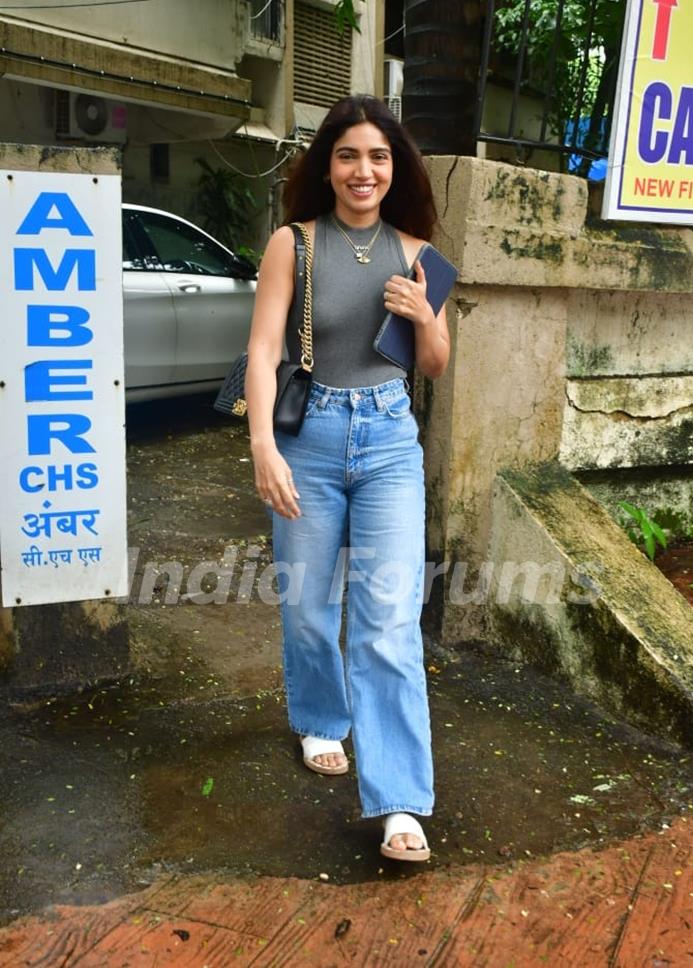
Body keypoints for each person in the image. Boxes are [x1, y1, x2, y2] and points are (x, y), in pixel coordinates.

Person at [244, 94, 450, 861]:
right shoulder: (291, 244)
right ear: (327, 165)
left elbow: (432, 364)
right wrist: (262, 444)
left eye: (379, 157)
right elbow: (264, 350)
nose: (364, 170)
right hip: (311, 440)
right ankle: (323, 720)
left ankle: (399, 801)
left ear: (395, 170)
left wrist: (424, 315)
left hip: (392, 439)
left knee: (389, 619)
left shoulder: (416, 250)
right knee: (307, 605)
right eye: (349, 156)